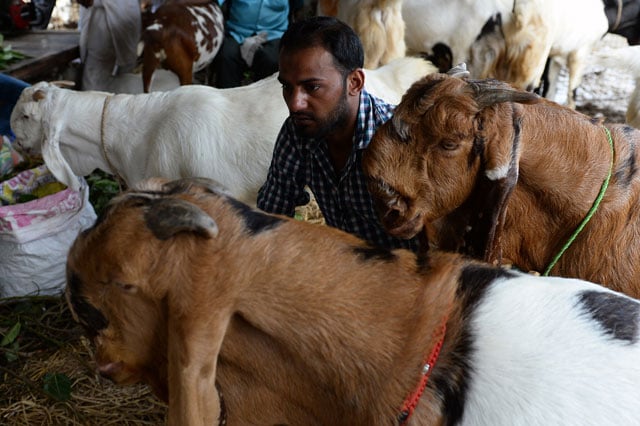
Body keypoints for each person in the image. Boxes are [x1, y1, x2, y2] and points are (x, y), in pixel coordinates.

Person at [257, 16, 420, 252]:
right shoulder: (297, 132)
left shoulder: (404, 142)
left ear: (354, 82)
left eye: (312, 87)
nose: (295, 104)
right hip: (350, 273)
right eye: (287, 87)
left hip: (412, 278)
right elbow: (271, 217)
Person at [214, 0, 302, 88]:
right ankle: (228, 99)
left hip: (274, 33)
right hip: (237, 31)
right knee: (226, 56)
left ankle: (263, 100)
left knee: (271, 60)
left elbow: (297, 9)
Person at [76, 0, 140, 91]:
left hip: (104, 27)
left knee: (95, 79)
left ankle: (96, 103)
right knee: (122, 80)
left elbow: (88, 1)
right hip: (125, 19)